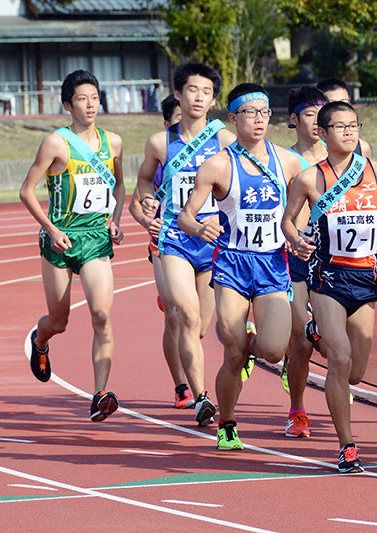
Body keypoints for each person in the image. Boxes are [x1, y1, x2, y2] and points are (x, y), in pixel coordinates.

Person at [281, 100, 377, 473]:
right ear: (322, 133)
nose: (350, 131)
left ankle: (314, 331)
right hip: (327, 276)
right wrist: (296, 240)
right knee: (340, 358)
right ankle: (347, 446)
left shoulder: (375, 171)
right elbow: (288, 220)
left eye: (354, 125)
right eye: (340, 126)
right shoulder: (309, 179)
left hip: (365, 276)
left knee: (355, 372)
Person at [178, 83, 302, 450]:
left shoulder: (289, 162)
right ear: (233, 118)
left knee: (275, 351)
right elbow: (185, 216)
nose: (259, 119)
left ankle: (250, 341)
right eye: (250, 113)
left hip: (273, 264)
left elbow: (305, 204)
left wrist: (297, 233)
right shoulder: (217, 165)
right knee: (232, 352)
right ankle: (227, 422)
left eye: (265, 112)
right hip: (232, 264)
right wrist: (199, 228)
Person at [20, 70, 125, 421]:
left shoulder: (114, 142)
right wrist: (50, 229)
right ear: (68, 105)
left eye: (95, 98)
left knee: (102, 315)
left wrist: (114, 219)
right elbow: (26, 191)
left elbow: (119, 185)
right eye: (82, 99)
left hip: (95, 238)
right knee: (59, 321)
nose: (90, 105)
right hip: (61, 241)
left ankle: (99, 394)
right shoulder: (56, 143)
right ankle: (40, 341)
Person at [138, 63, 236, 426]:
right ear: (178, 94)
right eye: (192, 90)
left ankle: (197, 386)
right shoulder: (159, 142)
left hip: (212, 241)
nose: (199, 97)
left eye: (206, 92)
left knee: (202, 328)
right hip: (175, 239)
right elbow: (144, 181)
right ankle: (200, 397)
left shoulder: (225, 140)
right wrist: (148, 200)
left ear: (213, 99)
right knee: (187, 316)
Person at [128, 95, 193, 409]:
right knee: (175, 317)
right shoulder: (161, 157)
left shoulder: (212, 153)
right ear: (167, 124)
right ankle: (182, 386)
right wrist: (147, 221)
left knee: (198, 321)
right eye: (179, 118)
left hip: (206, 244)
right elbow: (135, 203)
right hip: (166, 243)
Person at [283, 86, 329, 438]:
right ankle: (297, 410)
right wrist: (295, 239)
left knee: (333, 345)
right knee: (300, 341)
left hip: (339, 260)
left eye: (321, 113)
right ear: (294, 119)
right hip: (297, 256)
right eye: (309, 114)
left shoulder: (352, 154)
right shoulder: (284, 161)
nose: (316, 121)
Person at [316, 78, 372, 158]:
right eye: (332, 104)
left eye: (344, 103)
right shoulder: (311, 149)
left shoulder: (362, 147)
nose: (339, 108)